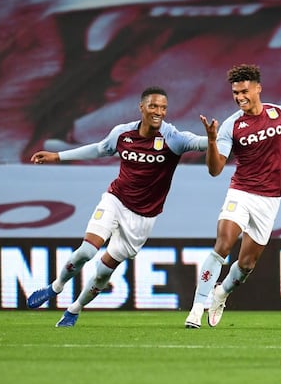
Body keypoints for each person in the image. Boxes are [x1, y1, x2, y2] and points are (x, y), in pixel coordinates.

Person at [26, 86, 207, 327]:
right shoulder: (123, 134)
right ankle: (56, 286)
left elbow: (200, 143)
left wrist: (218, 136)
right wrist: (58, 156)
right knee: (87, 251)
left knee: (103, 272)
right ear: (141, 107)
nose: (158, 112)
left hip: (143, 217)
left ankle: (74, 309)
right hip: (116, 200)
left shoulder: (173, 138)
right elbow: (100, 149)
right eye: (153, 106)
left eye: (163, 107)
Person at [185, 64, 281, 329]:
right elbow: (216, 169)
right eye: (235, 93)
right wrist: (213, 141)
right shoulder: (231, 125)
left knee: (247, 264)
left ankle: (221, 293)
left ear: (258, 88)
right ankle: (196, 308)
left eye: (244, 91)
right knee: (224, 244)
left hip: (269, 199)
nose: (240, 97)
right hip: (240, 191)